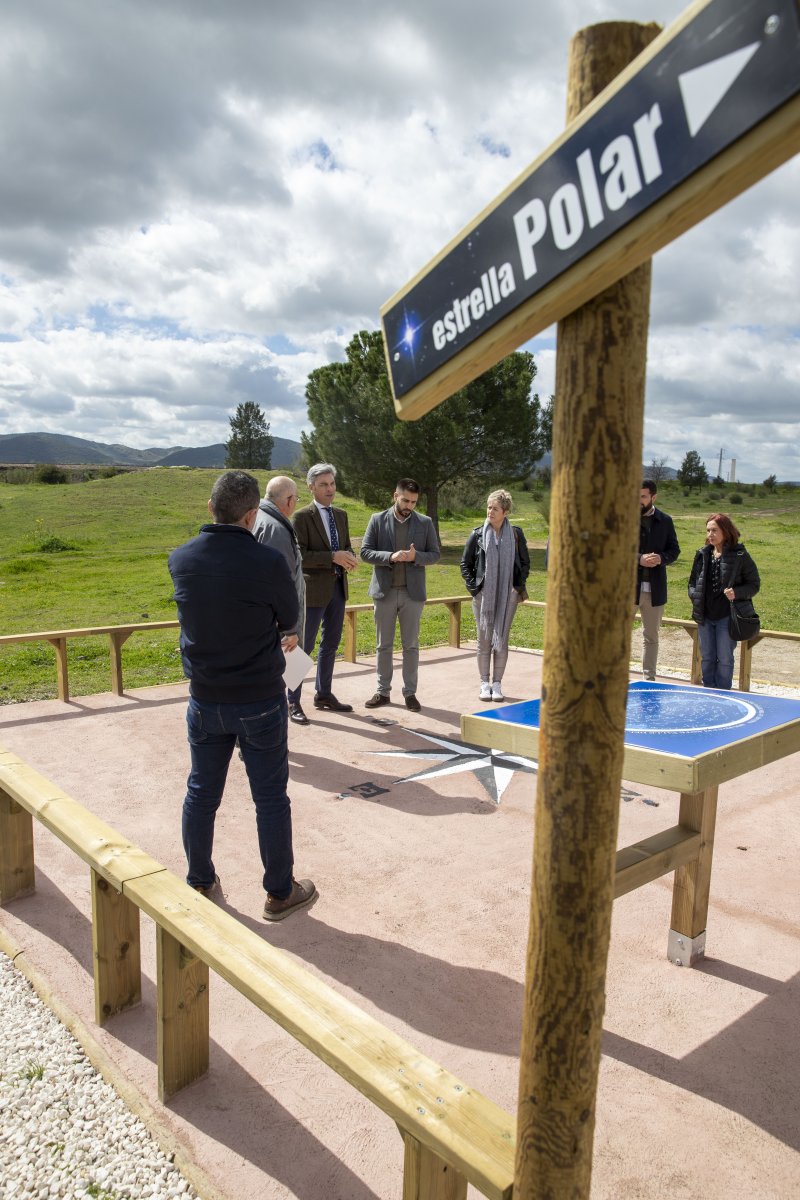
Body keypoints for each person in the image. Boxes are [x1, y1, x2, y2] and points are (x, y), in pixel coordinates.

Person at [168, 470, 317, 921]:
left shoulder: (182, 558)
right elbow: (289, 618)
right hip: (258, 699)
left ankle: (199, 879)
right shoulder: (266, 563)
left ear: (211, 508)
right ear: (252, 515)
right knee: (270, 797)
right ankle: (279, 892)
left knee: (201, 792)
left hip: (205, 698)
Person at [360, 478, 441, 712]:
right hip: (384, 593)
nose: (409, 505)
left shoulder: (425, 523)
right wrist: (390, 557)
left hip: (412, 594)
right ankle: (382, 692)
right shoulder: (377, 519)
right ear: (395, 496)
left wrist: (416, 557)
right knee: (383, 645)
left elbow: (435, 554)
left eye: (414, 502)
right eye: (405, 500)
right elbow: (365, 552)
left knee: (411, 646)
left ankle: (410, 693)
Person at [288, 463, 358, 725]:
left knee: (330, 644)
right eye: (323, 485)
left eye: (332, 484)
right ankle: (292, 700)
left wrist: (349, 558)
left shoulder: (341, 515)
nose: (330, 489)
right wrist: (332, 557)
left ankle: (324, 694)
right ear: (311, 488)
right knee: (302, 647)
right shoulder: (302, 517)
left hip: (338, 589)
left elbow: (347, 546)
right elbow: (300, 556)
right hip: (313, 592)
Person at [460, 489, 530, 701]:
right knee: (484, 640)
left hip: (508, 596)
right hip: (483, 596)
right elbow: (465, 564)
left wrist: (516, 587)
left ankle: (497, 684)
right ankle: (484, 683)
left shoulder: (516, 534)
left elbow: (525, 563)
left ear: (505, 512)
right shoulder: (478, 533)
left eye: (495, 508)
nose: (490, 511)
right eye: (489, 507)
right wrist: (475, 588)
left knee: (501, 640)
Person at [688, 512, 760, 689]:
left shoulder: (740, 555)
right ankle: (709, 692)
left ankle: (723, 695)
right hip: (704, 616)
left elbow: (754, 584)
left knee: (725, 658)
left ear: (726, 532)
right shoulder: (702, 554)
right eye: (708, 530)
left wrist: (736, 592)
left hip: (727, 617)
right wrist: (695, 597)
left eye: (714, 530)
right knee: (707, 657)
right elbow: (692, 582)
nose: (710, 534)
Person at [635, 480, 680, 681]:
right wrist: (639, 559)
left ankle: (649, 678)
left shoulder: (666, 521)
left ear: (653, 497)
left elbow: (674, 550)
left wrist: (662, 558)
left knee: (651, 637)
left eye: (643, 496)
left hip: (655, 590)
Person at [252, 475, 305, 648]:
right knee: (289, 675)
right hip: (280, 630)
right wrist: (291, 629)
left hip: (263, 622)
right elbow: (283, 584)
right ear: (290, 500)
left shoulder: (257, 517)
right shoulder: (277, 530)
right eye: (296, 499)